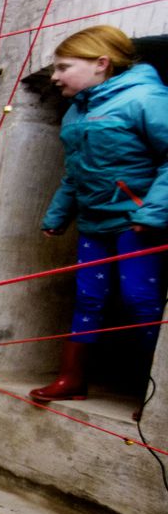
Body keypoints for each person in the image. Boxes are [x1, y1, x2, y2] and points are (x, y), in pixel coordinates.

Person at [28, 25, 168, 413]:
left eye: (63, 67)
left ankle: (152, 395)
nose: (55, 77)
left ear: (101, 63)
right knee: (88, 298)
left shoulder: (148, 99)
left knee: (141, 301)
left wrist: (153, 212)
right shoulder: (78, 109)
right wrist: (58, 215)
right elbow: (75, 171)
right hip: (94, 223)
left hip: (137, 223)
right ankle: (72, 378)